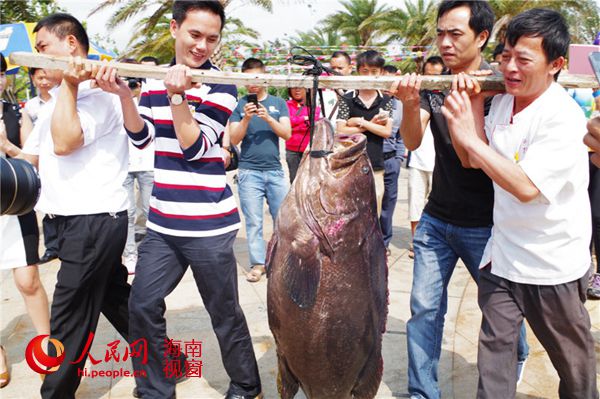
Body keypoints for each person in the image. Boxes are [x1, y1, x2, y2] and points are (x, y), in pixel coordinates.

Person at [95, 2, 262, 398]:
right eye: (194, 34)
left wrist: (177, 98)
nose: (202, 45)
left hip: (209, 226)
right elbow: (143, 138)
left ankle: (246, 384)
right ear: (174, 28)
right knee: (141, 305)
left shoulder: (222, 85)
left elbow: (196, 147)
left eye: (211, 38)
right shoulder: (154, 81)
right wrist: (123, 96)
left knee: (223, 313)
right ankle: (155, 387)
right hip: (163, 224)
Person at [442, 9, 598, 398]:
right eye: (505, 55)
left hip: (552, 265)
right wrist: (472, 105)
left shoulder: (562, 117)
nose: (510, 67)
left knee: (574, 367)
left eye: (523, 59)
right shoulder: (502, 105)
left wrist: (470, 137)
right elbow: (470, 160)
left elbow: (526, 187)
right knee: (494, 357)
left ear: (556, 65)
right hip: (504, 259)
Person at [389, 2, 528, 398]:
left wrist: (477, 101)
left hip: (488, 224)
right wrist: (411, 104)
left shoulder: (504, 88)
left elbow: (474, 161)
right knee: (424, 310)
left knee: (499, 313)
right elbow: (413, 142)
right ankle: (421, 392)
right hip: (436, 220)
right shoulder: (437, 85)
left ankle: (517, 356)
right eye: (440, 33)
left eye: (456, 34)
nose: (445, 43)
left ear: (482, 37)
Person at [0, 53, 50, 390]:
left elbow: (35, 161)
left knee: (29, 280)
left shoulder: (17, 113)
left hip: (13, 204)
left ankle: (47, 347)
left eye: (0, 73)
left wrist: (6, 144)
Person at [229, 57, 291, 283]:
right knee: (253, 221)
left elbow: (287, 133)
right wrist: (246, 118)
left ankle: (282, 261)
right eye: (248, 79)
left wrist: (268, 118)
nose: (253, 84)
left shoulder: (278, 102)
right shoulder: (239, 105)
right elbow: (233, 138)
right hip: (248, 172)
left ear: (264, 77)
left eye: (256, 78)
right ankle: (258, 263)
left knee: (282, 219)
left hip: (275, 171)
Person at [337, 50, 393, 215]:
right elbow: (341, 131)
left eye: (374, 72)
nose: (369, 76)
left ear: (381, 72)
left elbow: (386, 131)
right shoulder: (347, 98)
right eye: (365, 71)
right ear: (358, 71)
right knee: (349, 213)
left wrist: (359, 122)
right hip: (350, 165)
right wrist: (371, 125)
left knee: (373, 214)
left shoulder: (386, 100)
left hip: (375, 165)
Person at [118, 57, 154, 274]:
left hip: (148, 162)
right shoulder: (115, 99)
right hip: (123, 164)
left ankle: (150, 252)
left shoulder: (149, 98)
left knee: (151, 210)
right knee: (129, 212)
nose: (131, 85)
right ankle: (130, 255)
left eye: (134, 80)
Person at [406, 56, 444, 259]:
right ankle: (415, 242)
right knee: (415, 201)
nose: (432, 80)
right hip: (418, 159)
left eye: (436, 77)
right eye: (428, 76)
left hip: (439, 162)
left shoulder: (449, 97)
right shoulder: (420, 97)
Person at [23, 67, 60, 264]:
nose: (44, 81)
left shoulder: (61, 100)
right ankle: (52, 246)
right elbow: (28, 138)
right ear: (33, 79)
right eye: (40, 78)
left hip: (61, 157)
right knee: (45, 204)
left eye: (46, 76)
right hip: (40, 160)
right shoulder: (29, 107)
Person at [380, 64, 406, 254]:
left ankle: (384, 242)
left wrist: (398, 157)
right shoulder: (370, 102)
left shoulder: (400, 106)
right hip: (370, 160)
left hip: (391, 160)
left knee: (389, 202)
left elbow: (401, 135)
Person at [285, 87, 319, 183]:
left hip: (310, 149)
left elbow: (315, 123)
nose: (297, 90)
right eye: (293, 88)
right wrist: (304, 118)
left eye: (300, 88)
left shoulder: (314, 106)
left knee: (311, 181)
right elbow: (287, 122)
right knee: (294, 180)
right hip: (292, 150)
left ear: (307, 89)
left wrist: (294, 127)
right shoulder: (286, 105)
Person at [322, 51, 353, 122]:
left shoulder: (358, 91)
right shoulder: (323, 91)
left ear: (350, 68)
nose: (336, 71)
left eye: (340, 68)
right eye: (332, 68)